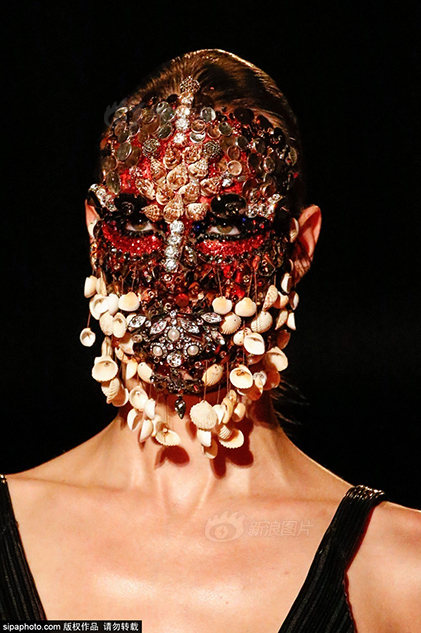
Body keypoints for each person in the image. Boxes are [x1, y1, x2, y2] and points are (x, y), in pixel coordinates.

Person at [1, 49, 420, 631]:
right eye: (138, 221)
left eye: (224, 224)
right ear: (97, 231)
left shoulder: (399, 569)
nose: (174, 273)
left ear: (299, 246)